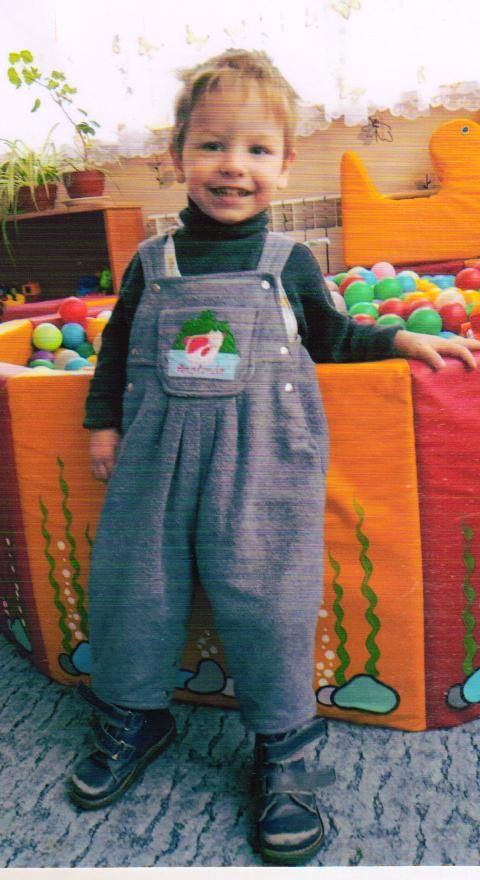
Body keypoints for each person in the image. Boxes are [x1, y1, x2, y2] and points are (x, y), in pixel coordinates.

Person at [68, 48, 480, 865]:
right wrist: (101, 422)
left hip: (260, 461)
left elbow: (332, 335)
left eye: (257, 149)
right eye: (213, 145)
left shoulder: (287, 262)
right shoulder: (150, 263)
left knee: (268, 600)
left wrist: (403, 339)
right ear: (176, 156)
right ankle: (133, 714)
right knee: (133, 587)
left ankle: (286, 743)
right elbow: (114, 352)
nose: (234, 166)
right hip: (154, 460)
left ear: (285, 164)